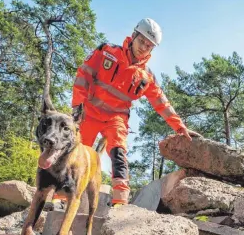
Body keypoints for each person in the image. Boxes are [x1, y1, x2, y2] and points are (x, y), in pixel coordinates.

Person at [70, 18, 201, 207]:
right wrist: (77, 107)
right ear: (133, 36)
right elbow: (83, 76)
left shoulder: (146, 77)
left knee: (118, 152)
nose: (143, 48)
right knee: (76, 152)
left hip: (116, 118)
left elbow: (161, 103)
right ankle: (62, 197)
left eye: (149, 46)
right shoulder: (106, 52)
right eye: (142, 42)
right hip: (89, 112)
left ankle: (120, 202)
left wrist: (180, 127)